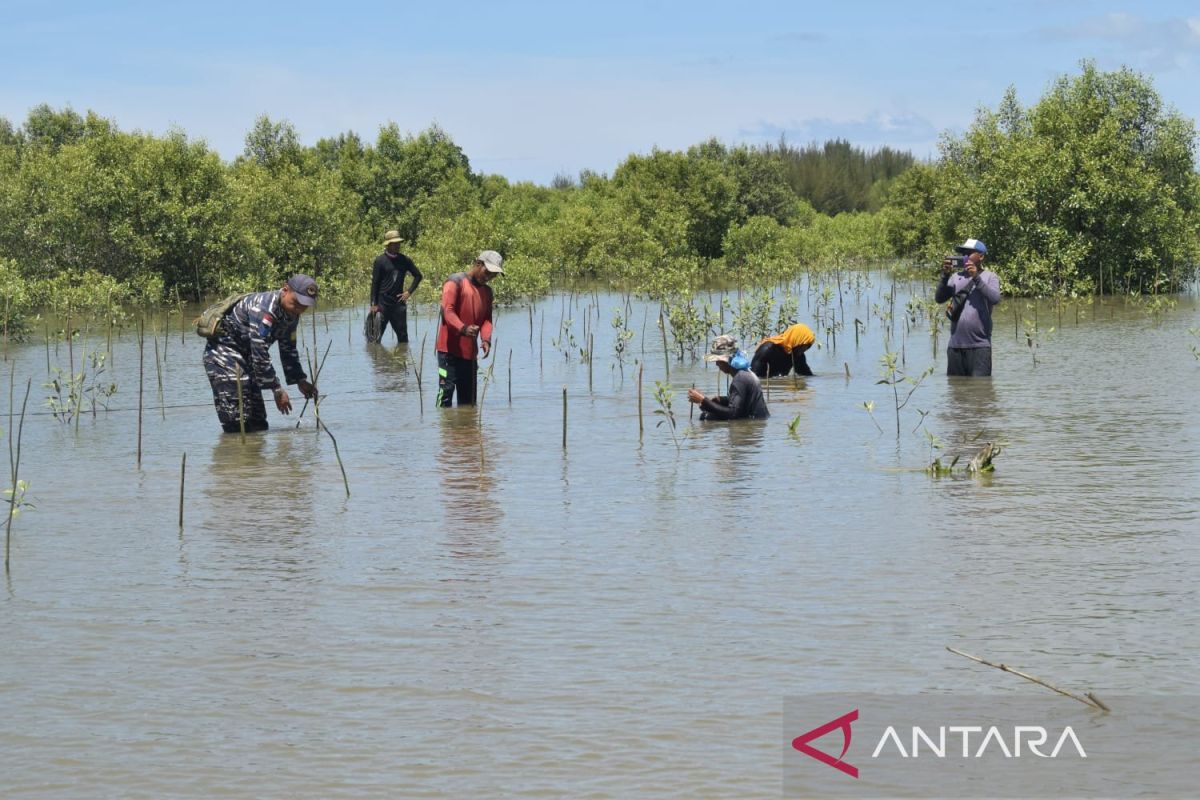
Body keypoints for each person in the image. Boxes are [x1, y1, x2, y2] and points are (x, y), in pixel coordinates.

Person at [203, 275, 319, 432]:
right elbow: (260, 353)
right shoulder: (264, 309)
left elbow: (288, 349)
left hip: (247, 358)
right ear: (285, 290)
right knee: (237, 420)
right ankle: (233, 454)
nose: (299, 309)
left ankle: (255, 456)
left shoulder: (292, 314)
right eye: (296, 302)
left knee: (257, 421)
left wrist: (300, 380)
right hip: (224, 354)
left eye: (304, 305)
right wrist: (277, 389)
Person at [436, 250, 503, 407]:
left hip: (470, 355)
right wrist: (463, 328)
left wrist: (486, 339)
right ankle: (442, 431)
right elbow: (448, 311)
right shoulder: (455, 282)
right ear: (478, 264)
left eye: (494, 275)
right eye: (488, 272)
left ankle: (467, 431)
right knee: (445, 396)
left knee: (469, 403)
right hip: (448, 353)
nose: (490, 277)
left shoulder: (487, 291)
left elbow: (487, 319)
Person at [935, 238, 1002, 377]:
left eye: (969, 252)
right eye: (963, 253)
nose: (965, 256)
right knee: (957, 393)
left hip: (980, 346)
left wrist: (976, 277)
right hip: (955, 346)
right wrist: (945, 275)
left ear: (981, 256)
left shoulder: (990, 277)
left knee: (980, 393)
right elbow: (939, 298)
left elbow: (995, 299)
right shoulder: (954, 277)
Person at [687, 335, 770, 420]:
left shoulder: (740, 379)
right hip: (758, 421)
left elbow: (732, 414)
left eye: (718, 360)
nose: (717, 364)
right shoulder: (745, 373)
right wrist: (721, 400)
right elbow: (741, 402)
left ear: (726, 360)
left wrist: (703, 400)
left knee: (706, 417)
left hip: (755, 423)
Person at [368, 229, 423, 343]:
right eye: (395, 243)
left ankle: (401, 360)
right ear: (388, 245)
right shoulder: (380, 261)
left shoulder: (404, 260)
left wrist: (408, 292)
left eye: (398, 243)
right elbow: (375, 283)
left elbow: (418, 276)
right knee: (374, 341)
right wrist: (374, 304)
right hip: (383, 304)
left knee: (403, 340)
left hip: (398, 304)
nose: (398, 245)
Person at [750, 322, 815, 378]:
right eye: (804, 347)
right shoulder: (767, 350)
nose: (805, 350)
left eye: (808, 347)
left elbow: (806, 374)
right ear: (796, 341)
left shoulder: (797, 355)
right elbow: (753, 376)